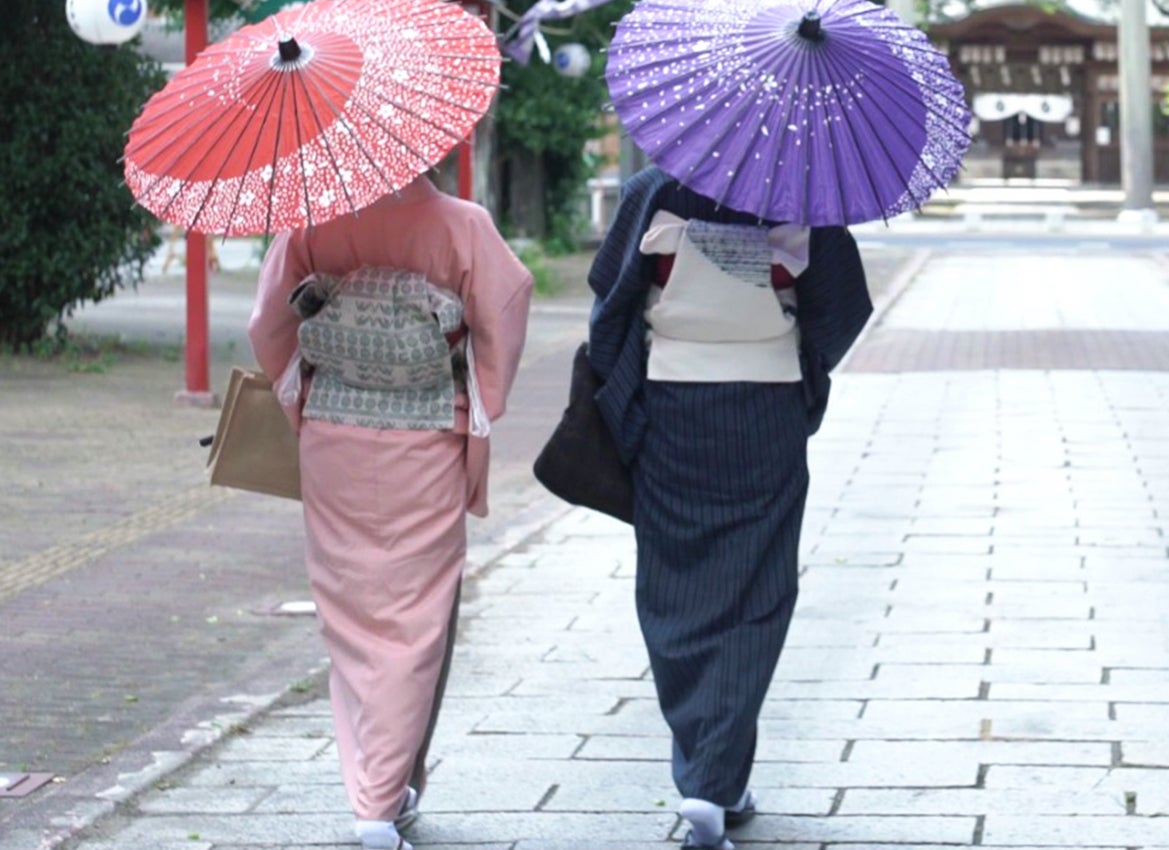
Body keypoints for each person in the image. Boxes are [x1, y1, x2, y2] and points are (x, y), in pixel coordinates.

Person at [587, 165, 872, 849]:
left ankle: (708, 774)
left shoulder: (653, 189)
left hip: (671, 402)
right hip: (765, 404)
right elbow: (841, 310)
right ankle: (714, 782)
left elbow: (611, 299)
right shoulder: (810, 192)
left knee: (674, 584)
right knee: (756, 589)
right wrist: (791, 359)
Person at [249, 172, 533, 850]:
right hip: (427, 434)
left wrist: (303, 401)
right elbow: (506, 309)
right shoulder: (463, 224)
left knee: (349, 613)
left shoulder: (312, 219)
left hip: (333, 433)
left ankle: (378, 784)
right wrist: (476, 401)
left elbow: (269, 324)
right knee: (414, 618)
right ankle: (377, 802)